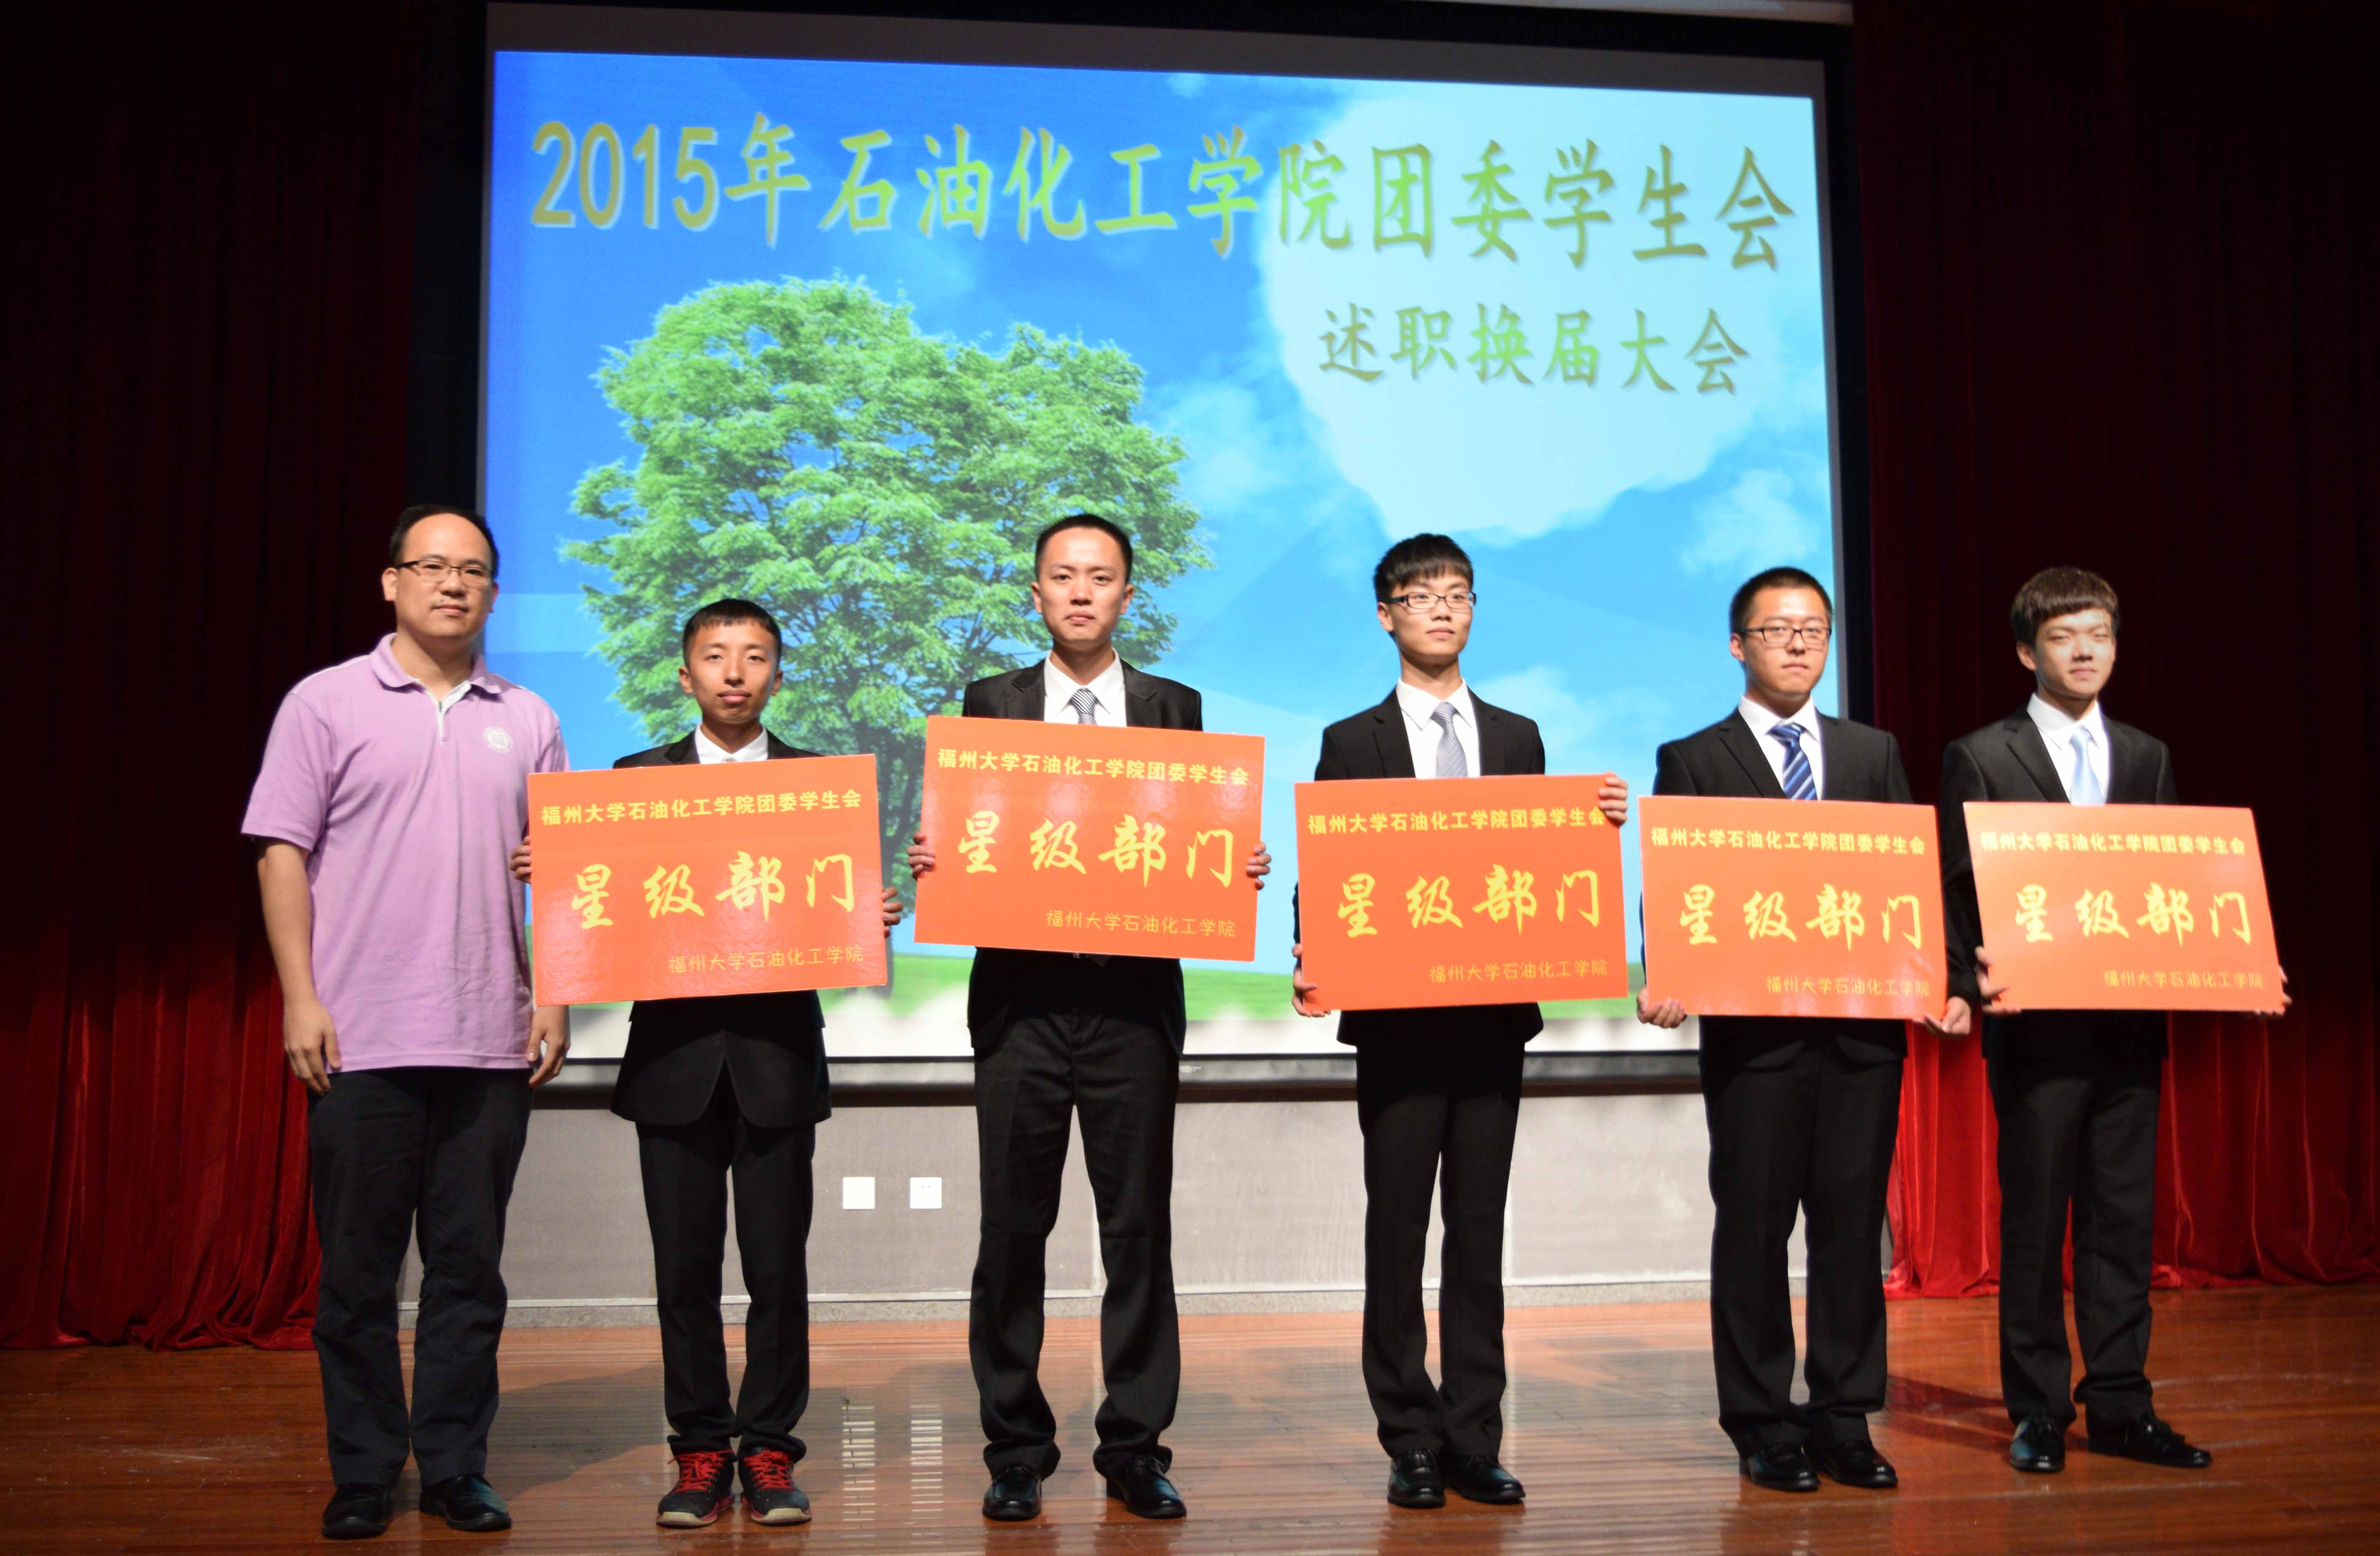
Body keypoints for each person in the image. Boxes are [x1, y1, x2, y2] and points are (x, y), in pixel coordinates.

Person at [507, 599, 903, 1529]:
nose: (735, 672)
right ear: (685, 675)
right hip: (673, 1062)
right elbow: (600, 906)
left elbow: (835, 906)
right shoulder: (635, 782)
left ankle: (768, 1447)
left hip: (777, 1059)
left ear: (778, 675)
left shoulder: (818, 788)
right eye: (716, 656)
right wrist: (555, 873)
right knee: (682, 1273)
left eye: (755, 656)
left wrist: (869, 910)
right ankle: (697, 1448)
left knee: (778, 1271)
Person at [906, 514, 1270, 1524]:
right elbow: (973, 831)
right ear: (1035, 592)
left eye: (1099, 577)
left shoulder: (1172, 707)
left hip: (1131, 1008)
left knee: (1137, 1230)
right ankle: (1016, 1448)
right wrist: (936, 855)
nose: (1079, 592)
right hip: (1020, 1006)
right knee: (1012, 1232)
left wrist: (1234, 860)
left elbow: (1195, 836)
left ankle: (1136, 1447)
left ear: (1126, 595)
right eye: (1062, 576)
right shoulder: (991, 701)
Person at [243, 505, 568, 1541]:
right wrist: (300, 995)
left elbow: (566, 873)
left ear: (494, 593)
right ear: (392, 581)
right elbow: (281, 852)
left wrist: (554, 994)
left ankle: (457, 1469)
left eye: (473, 570)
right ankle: (365, 1469)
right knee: (358, 1275)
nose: (452, 584)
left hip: (488, 1036)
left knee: (470, 1272)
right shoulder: (324, 701)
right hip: (362, 1034)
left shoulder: (529, 715)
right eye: (431, 565)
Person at [1289, 533, 1629, 1511]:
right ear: (1385, 614)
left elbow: (1542, 864)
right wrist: (1312, 951)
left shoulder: (1518, 737)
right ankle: (1409, 1437)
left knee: (1477, 1233)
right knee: (1396, 1231)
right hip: (1397, 1026)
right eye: (1420, 594)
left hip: (1489, 1023)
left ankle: (1474, 1435)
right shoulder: (1351, 740)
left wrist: (1596, 824)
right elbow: (1331, 865)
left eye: (1459, 594)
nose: (1442, 609)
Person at [1636, 566, 1932, 1494]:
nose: (1798, 643)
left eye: (1814, 629)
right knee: (1755, 1232)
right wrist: (1669, 970)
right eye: (1777, 629)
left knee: (1850, 1230)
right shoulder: (1695, 757)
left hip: (1860, 1037)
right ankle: (1762, 1421)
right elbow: (1675, 886)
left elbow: (1906, 883)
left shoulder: (1873, 752)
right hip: (1755, 1045)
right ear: (1739, 644)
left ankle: (1844, 1416)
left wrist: (1936, 976)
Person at [1938, 567, 2221, 1475]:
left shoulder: (2146, 754)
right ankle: (2037, 1408)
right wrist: (1973, 980)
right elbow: (1956, 889)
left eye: (2098, 634)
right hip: (2035, 1028)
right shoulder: (1982, 754)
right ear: (2029, 652)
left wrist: (2228, 953)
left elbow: (2169, 885)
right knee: (2035, 1222)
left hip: (2130, 1025)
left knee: (2121, 1221)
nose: (2085, 650)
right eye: (2064, 636)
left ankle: (2122, 1404)